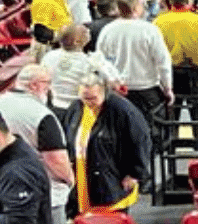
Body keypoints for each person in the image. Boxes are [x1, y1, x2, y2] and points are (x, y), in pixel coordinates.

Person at [0, 65, 75, 224]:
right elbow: (56, 159)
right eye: (47, 84)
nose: (49, 89)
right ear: (35, 85)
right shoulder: (41, 114)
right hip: (44, 194)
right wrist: (69, 179)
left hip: (0, 189)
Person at [59, 75, 150, 216]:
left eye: (93, 98)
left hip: (113, 174)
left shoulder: (123, 111)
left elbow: (140, 141)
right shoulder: (75, 108)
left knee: (112, 220)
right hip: (82, 171)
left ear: (104, 93)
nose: (88, 102)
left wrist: (135, 173)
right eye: (84, 98)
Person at [95, 0, 173, 135]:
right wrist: (168, 88)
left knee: (119, 130)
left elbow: (99, 61)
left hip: (118, 90)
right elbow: (162, 61)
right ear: (137, 7)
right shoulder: (149, 30)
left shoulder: (108, 30)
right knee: (151, 130)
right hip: (146, 89)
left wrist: (109, 81)